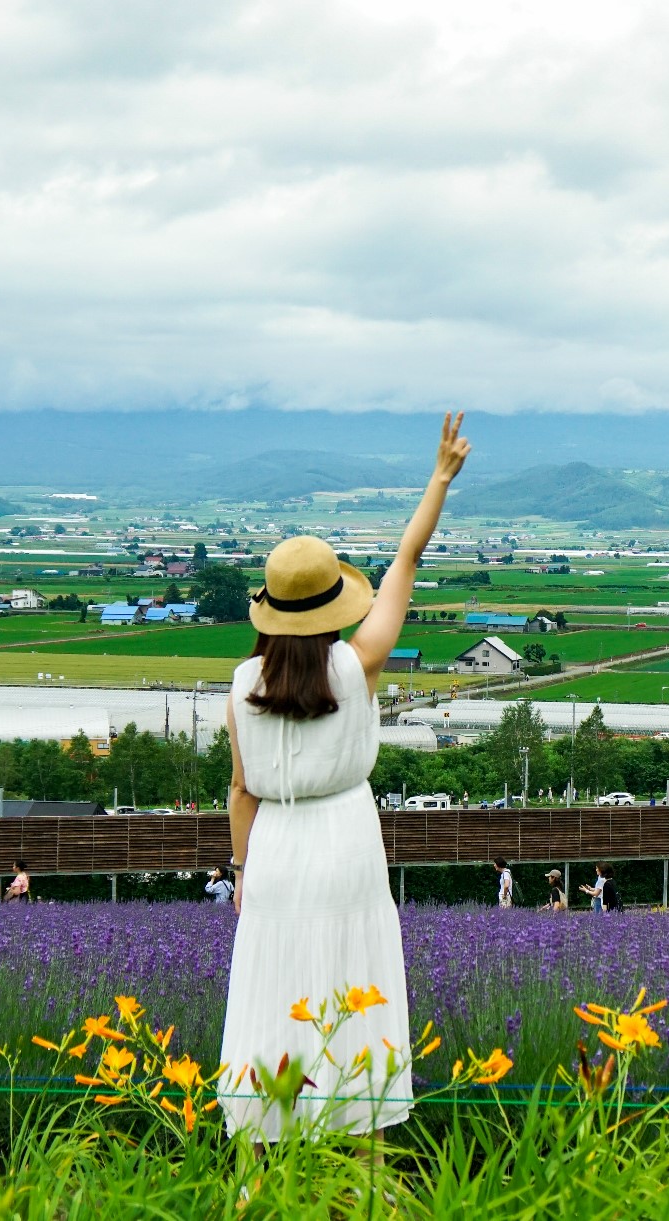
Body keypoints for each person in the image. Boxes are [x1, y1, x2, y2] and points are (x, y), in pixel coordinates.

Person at [218, 412, 470, 1143]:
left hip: (276, 845)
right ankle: (362, 1168)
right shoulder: (357, 665)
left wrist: (240, 870)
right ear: (332, 608)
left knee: (275, 991)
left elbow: (240, 792)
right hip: (349, 838)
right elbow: (405, 563)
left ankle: (265, 1163)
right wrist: (440, 477)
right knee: (352, 990)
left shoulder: (239, 687)